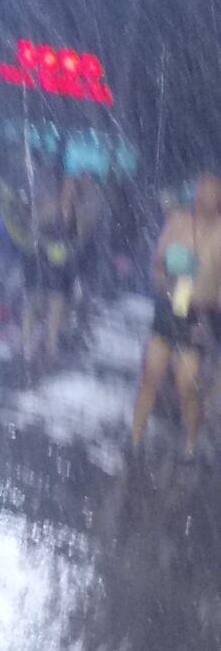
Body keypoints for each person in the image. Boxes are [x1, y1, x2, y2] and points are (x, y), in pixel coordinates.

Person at [129, 173, 221, 462]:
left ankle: (191, 442)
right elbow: (157, 263)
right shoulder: (179, 221)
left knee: (186, 385)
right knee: (150, 375)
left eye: (212, 193)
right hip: (170, 307)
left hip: (201, 314)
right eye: (202, 191)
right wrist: (165, 272)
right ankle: (135, 440)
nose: (205, 198)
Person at [23, 167, 92, 369]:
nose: (70, 192)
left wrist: (67, 249)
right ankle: (26, 346)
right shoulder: (50, 207)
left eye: (73, 188)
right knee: (35, 302)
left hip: (62, 265)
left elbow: (79, 240)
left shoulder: (77, 213)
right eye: (67, 187)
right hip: (41, 261)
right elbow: (33, 232)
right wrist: (48, 246)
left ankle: (51, 348)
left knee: (58, 304)